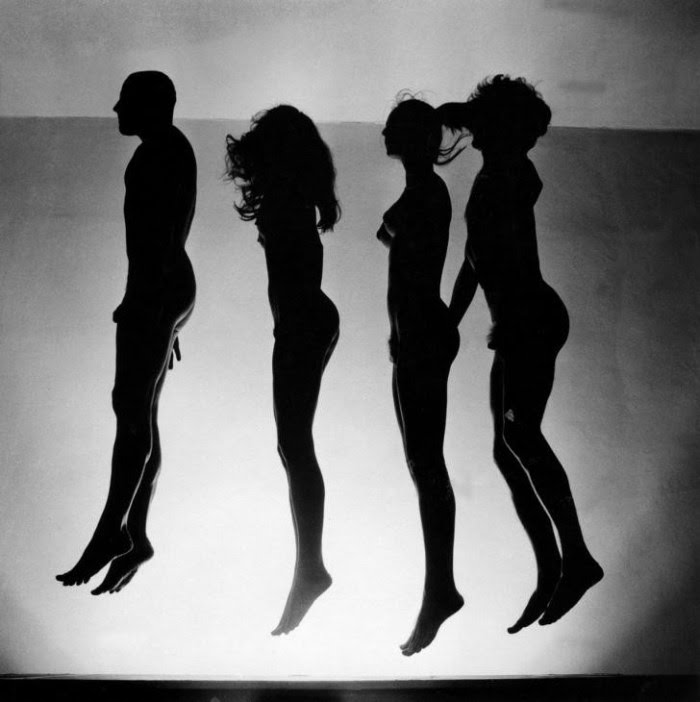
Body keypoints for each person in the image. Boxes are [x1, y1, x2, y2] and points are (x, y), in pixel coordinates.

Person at [438, 75, 603, 632]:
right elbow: (473, 258)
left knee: (520, 436)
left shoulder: (510, 174)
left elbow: (490, 251)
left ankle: (576, 559)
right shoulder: (492, 175)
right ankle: (552, 567)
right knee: (508, 447)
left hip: (530, 323)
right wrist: (450, 320)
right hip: (517, 326)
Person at [56, 71, 197, 595]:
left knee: (131, 410)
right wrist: (165, 312)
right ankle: (133, 533)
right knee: (141, 412)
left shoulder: (157, 154)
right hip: (165, 291)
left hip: (156, 291)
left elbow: (154, 242)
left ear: (152, 105)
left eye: (126, 101)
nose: (116, 109)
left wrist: (149, 306)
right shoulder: (171, 148)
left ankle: (111, 532)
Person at [226, 105, 341, 635]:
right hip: (303, 323)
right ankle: (309, 566)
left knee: (295, 445)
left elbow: (296, 268)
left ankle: (311, 568)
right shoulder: (291, 197)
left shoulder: (288, 198)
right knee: (293, 445)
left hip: (302, 324)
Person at [378, 97, 463, 656]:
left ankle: (441, 589)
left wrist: (424, 330)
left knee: (427, 463)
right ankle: (440, 588)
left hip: (422, 336)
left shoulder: (429, 192)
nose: (385, 133)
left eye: (395, 127)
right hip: (413, 337)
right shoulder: (421, 191)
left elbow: (404, 252)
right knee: (421, 462)